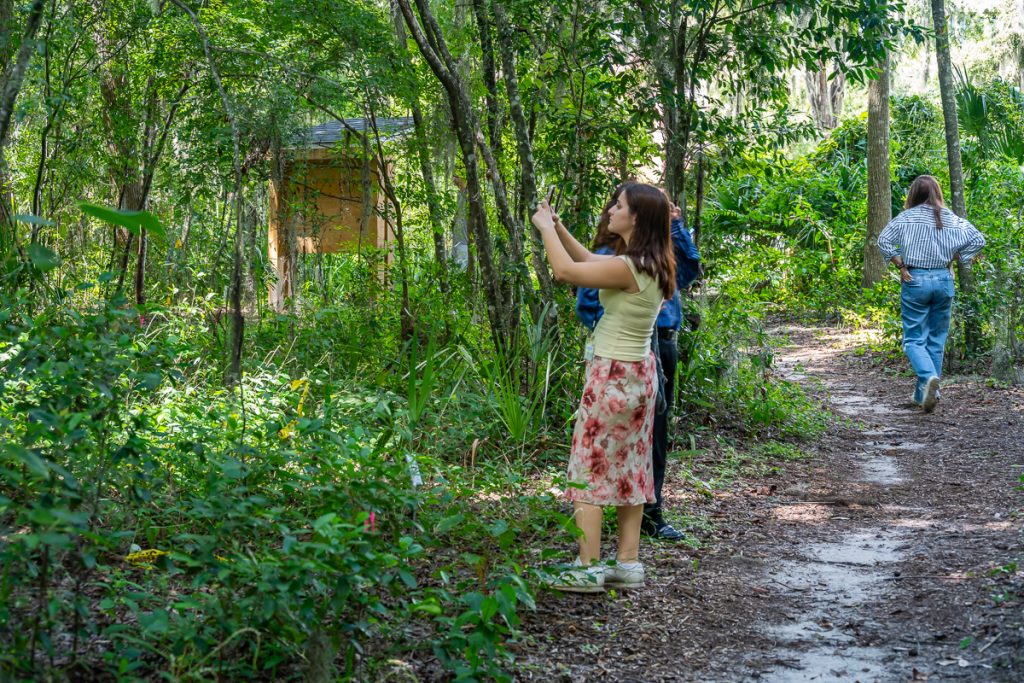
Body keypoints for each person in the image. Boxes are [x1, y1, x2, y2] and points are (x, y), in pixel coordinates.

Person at [531, 182, 676, 592]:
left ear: (637, 218)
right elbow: (592, 261)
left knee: (590, 466)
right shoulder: (649, 261)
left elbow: (565, 272)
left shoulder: (628, 267)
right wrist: (559, 228)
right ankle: (627, 562)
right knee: (631, 465)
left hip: (613, 374)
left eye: (620, 205)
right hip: (638, 376)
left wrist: (543, 228)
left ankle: (587, 565)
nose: (611, 209)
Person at [575, 190, 701, 542]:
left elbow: (690, 270)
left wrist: (676, 226)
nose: (614, 211)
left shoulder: (659, 255)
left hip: (660, 346)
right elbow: (586, 301)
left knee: (651, 437)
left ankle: (650, 511)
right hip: (625, 353)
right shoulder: (614, 255)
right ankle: (614, 519)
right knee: (608, 443)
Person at [877, 175, 985, 413]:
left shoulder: (906, 217)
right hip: (944, 279)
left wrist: (900, 265)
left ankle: (927, 379)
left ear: (914, 194)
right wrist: (954, 257)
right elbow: (978, 240)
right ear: (937, 192)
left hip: (916, 280)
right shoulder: (951, 218)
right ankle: (925, 394)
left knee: (914, 339)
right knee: (936, 340)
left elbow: (883, 241)